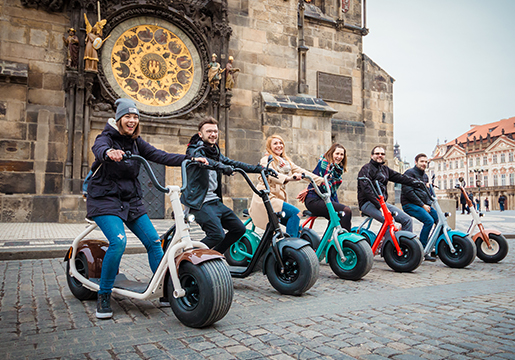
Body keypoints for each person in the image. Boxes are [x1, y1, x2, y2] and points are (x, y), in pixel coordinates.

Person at [87, 98, 207, 319]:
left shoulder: (136, 142)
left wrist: (190, 159)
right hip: (105, 199)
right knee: (118, 241)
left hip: (130, 200)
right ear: (119, 118)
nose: (132, 121)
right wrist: (108, 153)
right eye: (128, 117)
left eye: (135, 117)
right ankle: (104, 295)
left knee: (153, 241)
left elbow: (160, 155)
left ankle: (164, 289)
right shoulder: (105, 137)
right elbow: (99, 148)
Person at [181, 117, 264, 254]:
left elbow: (234, 163)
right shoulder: (194, 150)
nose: (213, 134)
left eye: (215, 131)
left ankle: (215, 255)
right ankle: (189, 257)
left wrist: (259, 169)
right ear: (201, 134)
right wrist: (222, 167)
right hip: (198, 202)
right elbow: (206, 161)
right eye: (209, 131)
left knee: (239, 229)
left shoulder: (215, 151)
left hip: (214, 201)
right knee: (217, 234)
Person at [249, 135, 322, 237]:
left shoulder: (286, 162)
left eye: (281, 143)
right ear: (269, 147)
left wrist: (322, 181)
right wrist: (289, 178)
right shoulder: (266, 160)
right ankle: (290, 247)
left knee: (298, 226)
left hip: (276, 199)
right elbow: (270, 173)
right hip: (265, 198)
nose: (279, 145)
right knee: (295, 213)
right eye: (275, 144)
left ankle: (298, 249)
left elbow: (303, 171)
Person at [357, 146, 423, 233]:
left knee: (407, 220)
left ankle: (404, 244)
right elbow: (367, 190)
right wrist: (380, 206)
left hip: (382, 203)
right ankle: (387, 246)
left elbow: (400, 177)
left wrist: (419, 183)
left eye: (382, 154)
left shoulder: (385, 169)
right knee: (388, 220)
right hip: (368, 203)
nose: (380, 155)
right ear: (372, 155)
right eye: (377, 153)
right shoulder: (366, 169)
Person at [298, 143, 352, 231]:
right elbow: (320, 185)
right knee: (346, 211)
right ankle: (346, 241)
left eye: (341, 154)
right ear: (332, 154)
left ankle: (327, 242)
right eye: (337, 153)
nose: (339, 156)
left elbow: (332, 192)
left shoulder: (336, 169)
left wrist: (338, 205)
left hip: (324, 198)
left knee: (339, 214)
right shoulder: (324, 164)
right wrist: (309, 189)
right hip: (313, 199)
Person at [401, 153, 438, 261]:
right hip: (409, 204)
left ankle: (435, 246)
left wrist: (429, 203)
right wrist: (423, 205)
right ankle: (422, 250)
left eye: (426, 162)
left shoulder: (425, 176)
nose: (424, 164)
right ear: (416, 162)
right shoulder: (409, 173)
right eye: (422, 161)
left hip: (423, 205)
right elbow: (408, 192)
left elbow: (425, 193)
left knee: (439, 220)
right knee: (429, 221)